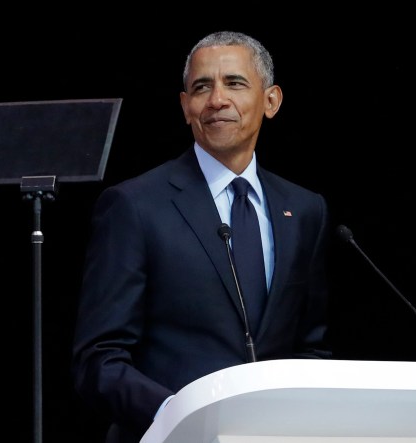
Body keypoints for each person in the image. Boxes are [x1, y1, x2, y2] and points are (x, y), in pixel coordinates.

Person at [71, 30, 333, 443]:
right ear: (185, 106)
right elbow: (98, 361)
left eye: (235, 83)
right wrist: (180, 415)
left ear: (271, 101)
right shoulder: (134, 206)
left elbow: (310, 348)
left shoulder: (304, 210)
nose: (216, 100)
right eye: (201, 87)